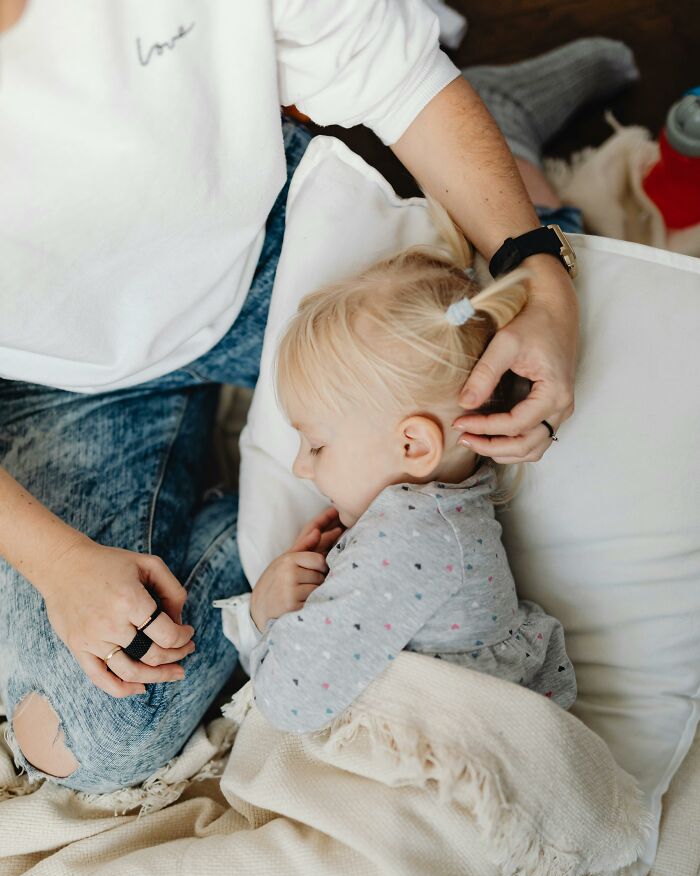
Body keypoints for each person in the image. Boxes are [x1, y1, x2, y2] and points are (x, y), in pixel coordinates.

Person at [0, 0, 632, 792]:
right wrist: (58, 562)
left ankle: (515, 151)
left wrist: (536, 260)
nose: (304, 467)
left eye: (314, 448)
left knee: (525, 366)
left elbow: (401, 77)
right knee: (76, 735)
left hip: (260, 254)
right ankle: (233, 496)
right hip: (53, 379)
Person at [220, 201, 577, 730]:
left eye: (316, 445)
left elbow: (287, 702)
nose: (300, 468)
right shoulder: (437, 521)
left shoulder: (410, 541)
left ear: (413, 446)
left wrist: (266, 615)